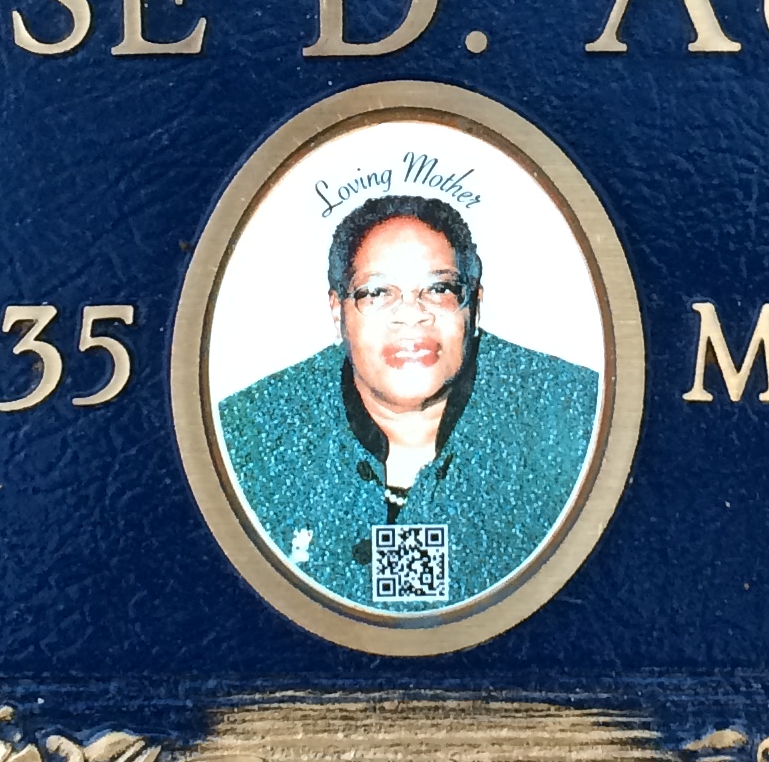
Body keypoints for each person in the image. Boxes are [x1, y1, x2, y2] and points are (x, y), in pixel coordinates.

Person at [216, 194, 602, 613]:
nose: (411, 315)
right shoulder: (250, 434)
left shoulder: (574, 415)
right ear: (337, 311)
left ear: (474, 304)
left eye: (438, 289)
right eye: (377, 292)